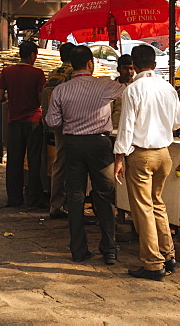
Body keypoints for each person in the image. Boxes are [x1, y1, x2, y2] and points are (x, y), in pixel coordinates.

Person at [45, 45, 124, 264]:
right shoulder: (105, 86)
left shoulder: (61, 90)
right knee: (104, 195)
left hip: (73, 144)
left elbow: (52, 121)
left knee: (75, 195)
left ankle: (78, 250)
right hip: (99, 145)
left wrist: (70, 120)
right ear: (91, 64)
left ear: (71, 65)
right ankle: (109, 249)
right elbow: (129, 91)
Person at [114, 44, 180, 281]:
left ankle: (153, 263)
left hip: (142, 155)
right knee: (157, 203)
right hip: (164, 154)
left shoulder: (133, 90)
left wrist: (119, 158)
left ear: (133, 66)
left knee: (143, 210)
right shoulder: (168, 88)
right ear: (154, 65)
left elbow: (125, 128)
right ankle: (168, 254)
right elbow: (179, 121)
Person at [0, 40, 46, 208]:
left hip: (14, 120)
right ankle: (33, 200)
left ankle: (14, 199)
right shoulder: (38, 73)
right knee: (34, 161)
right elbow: (41, 99)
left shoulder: (6, 72)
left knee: (14, 161)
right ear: (32, 55)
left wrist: (10, 98)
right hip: (33, 121)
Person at [42, 42, 76, 219]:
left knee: (59, 164)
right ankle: (63, 205)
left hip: (56, 125)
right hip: (71, 125)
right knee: (70, 165)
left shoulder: (53, 73)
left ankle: (56, 203)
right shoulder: (72, 74)